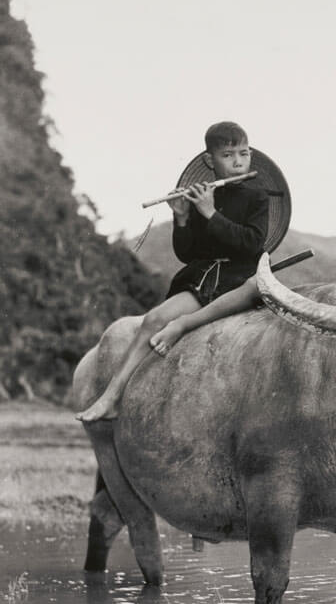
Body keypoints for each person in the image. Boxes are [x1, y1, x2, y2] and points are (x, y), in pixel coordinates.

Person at [77, 121, 269, 422]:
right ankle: (113, 395)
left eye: (243, 154)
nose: (237, 162)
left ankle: (183, 325)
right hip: (203, 281)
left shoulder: (258, 197)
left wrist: (210, 213)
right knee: (154, 319)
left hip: (240, 279)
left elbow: (251, 244)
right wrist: (181, 218)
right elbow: (188, 254)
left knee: (254, 289)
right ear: (210, 160)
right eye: (228, 155)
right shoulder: (200, 197)